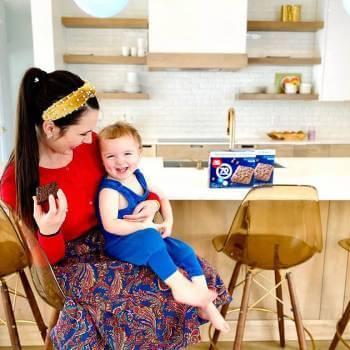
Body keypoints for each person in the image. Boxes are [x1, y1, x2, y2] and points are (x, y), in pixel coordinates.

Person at [0, 67, 231, 349]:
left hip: (110, 241)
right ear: (50, 128)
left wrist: (152, 202)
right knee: (142, 294)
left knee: (181, 264)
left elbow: (129, 179)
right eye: (83, 132)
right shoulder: (18, 182)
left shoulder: (90, 146)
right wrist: (48, 232)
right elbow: (42, 261)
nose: (90, 140)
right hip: (67, 262)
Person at [97, 121, 230, 332]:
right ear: (102, 158)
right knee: (151, 237)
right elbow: (110, 225)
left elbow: (162, 196)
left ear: (140, 153)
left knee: (185, 251)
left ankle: (206, 304)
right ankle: (180, 288)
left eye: (127, 154)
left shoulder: (138, 178)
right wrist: (146, 228)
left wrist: (168, 222)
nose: (120, 161)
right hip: (121, 243)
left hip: (146, 237)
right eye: (110, 156)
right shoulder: (109, 190)